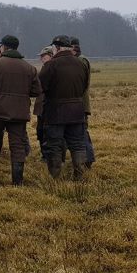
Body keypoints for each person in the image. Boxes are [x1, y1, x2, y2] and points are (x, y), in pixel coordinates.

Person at [0, 35, 41, 185]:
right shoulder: (29, 67)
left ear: (4, 47)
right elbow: (36, 91)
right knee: (17, 146)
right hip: (19, 112)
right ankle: (17, 181)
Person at [39, 36, 90, 180]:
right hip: (77, 111)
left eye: (53, 48)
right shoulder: (81, 64)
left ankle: (55, 177)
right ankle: (80, 177)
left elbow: (40, 87)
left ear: (57, 47)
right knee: (78, 145)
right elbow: (85, 86)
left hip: (55, 112)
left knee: (54, 145)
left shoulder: (51, 65)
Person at [71, 37, 95, 169]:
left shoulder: (81, 61)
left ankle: (88, 159)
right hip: (80, 103)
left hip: (80, 104)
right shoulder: (81, 60)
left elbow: (82, 84)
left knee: (82, 132)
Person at [34, 46, 54, 160]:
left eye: (43, 56)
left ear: (51, 55)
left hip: (49, 107)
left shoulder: (53, 69)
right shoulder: (44, 68)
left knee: (47, 132)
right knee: (40, 131)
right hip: (41, 106)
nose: (41, 58)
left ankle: (49, 156)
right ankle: (44, 155)